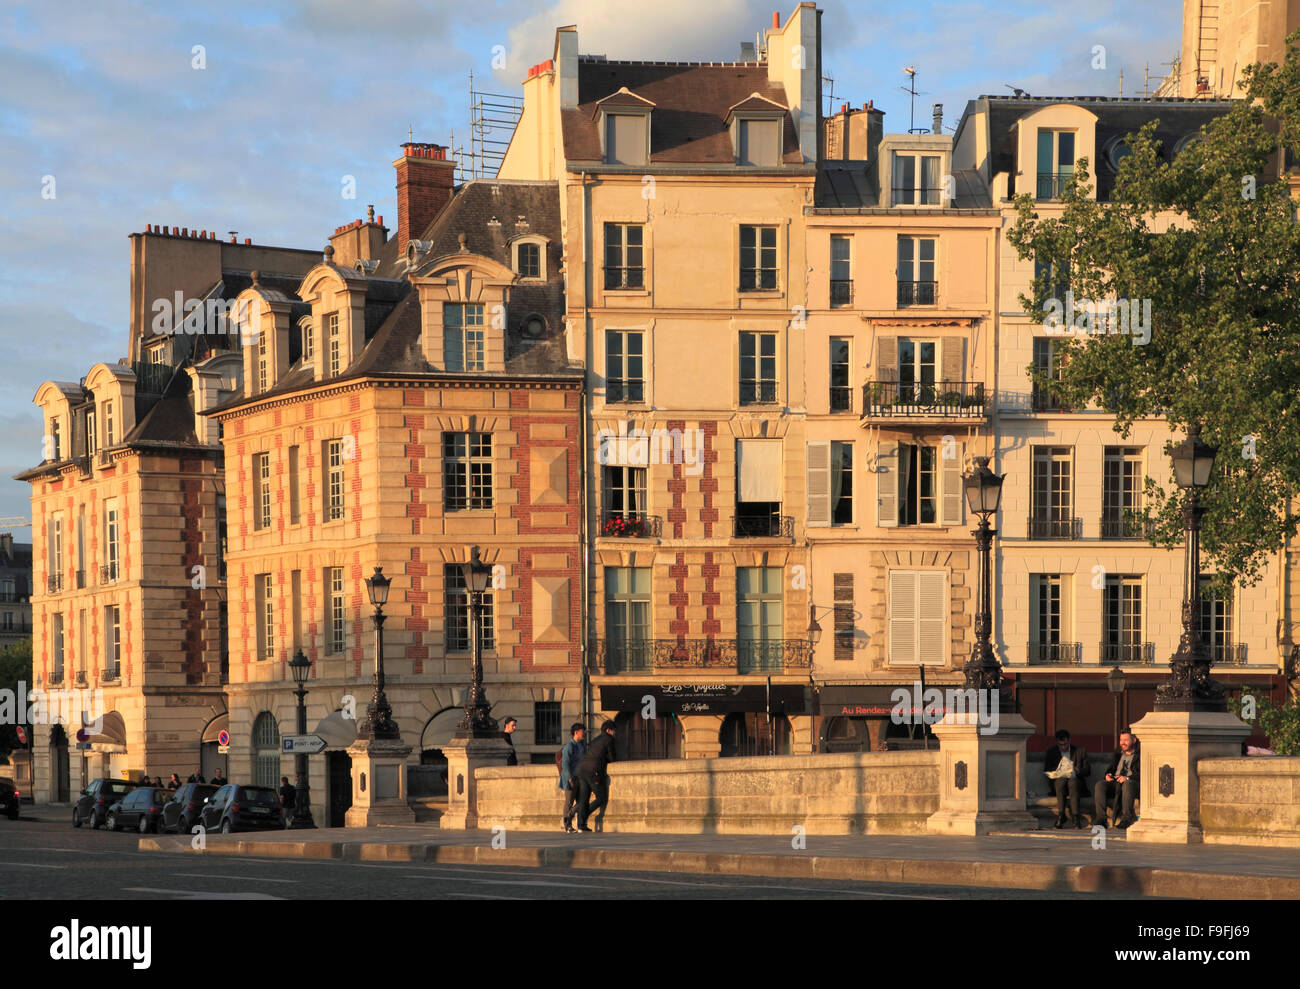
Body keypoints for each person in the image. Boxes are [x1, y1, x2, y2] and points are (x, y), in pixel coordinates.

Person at [1043, 729, 1090, 829]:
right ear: (1057, 743)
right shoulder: (1052, 752)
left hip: (1075, 780)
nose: (1063, 747)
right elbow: (1047, 769)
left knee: (1073, 782)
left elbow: (1087, 770)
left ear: (1069, 740)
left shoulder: (1079, 751)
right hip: (1060, 780)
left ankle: (1075, 816)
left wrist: (1077, 770)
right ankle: (1061, 814)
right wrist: (1057, 772)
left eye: (1065, 744)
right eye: (1061, 745)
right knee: (1060, 782)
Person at [575, 720, 617, 833]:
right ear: (608, 730)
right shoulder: (609, 739)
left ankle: (581, 825)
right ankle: (582, 816)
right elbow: (612, 758)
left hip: (582, 769)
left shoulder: (595, 739)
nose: (614, 733)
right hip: (594, 770)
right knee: (601, 797)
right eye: (613, 731)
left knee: (584, 798)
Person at [1093, 731, 1140, 829]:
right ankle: (1101, 819)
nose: (1123, 743)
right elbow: (1111, 769)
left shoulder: (1139, 755)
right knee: (1100, 785)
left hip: (1132, 784)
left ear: (1134, 740)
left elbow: (1141, 774)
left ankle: (1127, 818)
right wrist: (1108, 775)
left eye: (1126, 740)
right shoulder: (1118, 754)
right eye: (1121, 740)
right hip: (1116, 782)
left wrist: (1127, 778)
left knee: (1127, 784)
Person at [558, 723, 587, 834]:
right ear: (576, 732)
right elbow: (565, 764)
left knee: (582, 801)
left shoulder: (581, 745)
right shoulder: (569, 747)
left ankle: (572, 819)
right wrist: (570, 779)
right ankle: (567, 825)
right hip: (570, 779)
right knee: (569, 802)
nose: (583, 733)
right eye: (582, 731)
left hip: (580, 777)